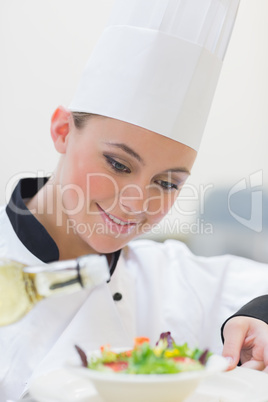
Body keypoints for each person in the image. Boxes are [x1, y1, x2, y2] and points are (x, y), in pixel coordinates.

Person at [0, 0, 268, 400]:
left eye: (167, 183)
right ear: (61, 130)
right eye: (118, 164)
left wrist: (259, 315)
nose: (134, 203)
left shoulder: (171, 277)